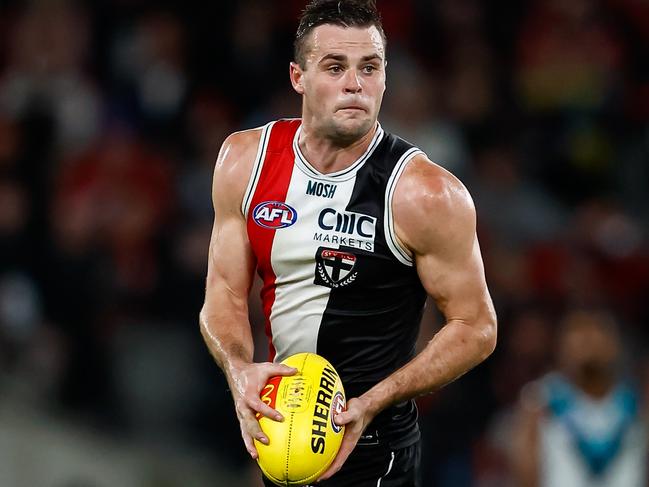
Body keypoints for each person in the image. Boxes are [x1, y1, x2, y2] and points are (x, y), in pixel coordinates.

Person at [199, 1, 497, 485]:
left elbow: (477, 326)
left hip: (375, 450)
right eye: (335, 67)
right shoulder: (243, 162)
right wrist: (239, 369)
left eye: (370, 68)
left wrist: (374, 401)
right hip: (281, 434)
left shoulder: (424, 193)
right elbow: (225, 295)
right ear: (298, 77)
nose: (354, 84)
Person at [511, 309, 647, 487]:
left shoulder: (637, 400)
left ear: (615, 344)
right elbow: (524, 473)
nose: (588, 342)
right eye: (578, 334)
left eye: (596, 331)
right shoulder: (539, 400)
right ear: (560, 347)